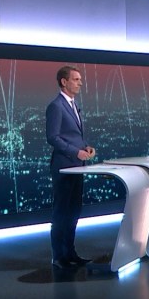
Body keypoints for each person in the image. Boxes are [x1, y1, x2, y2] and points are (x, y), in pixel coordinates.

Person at [46, 65, 96, 269]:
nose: (80, 83)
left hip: (78, 167)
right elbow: (53, 137)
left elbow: (73, 136)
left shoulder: (74, 105)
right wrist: (76, 152)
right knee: (62, 212)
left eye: (80, 79)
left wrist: (86, 147)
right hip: (64, 167)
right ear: (64, 82)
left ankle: (70, 252)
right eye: (76, 79)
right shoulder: (56, 106)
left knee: (74, 210)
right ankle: (59, 256)